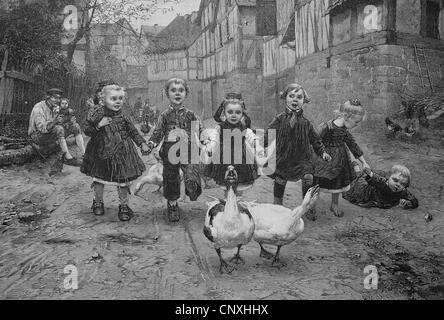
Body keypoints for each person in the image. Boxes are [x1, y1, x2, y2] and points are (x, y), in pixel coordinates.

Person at [80, 84, 150, 221]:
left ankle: (123, 206)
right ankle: (98, 203)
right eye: (113, 99)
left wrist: (142, 143)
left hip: (122, 152)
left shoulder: (123, 116)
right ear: (103, 100)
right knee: (99, 178)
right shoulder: (97, 113)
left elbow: (132, 131)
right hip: (101, 151)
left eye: (120, 98)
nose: (118, 102)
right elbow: (87, 129)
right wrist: (99, 125)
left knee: (123, 180)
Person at [267, 83, 331, 220]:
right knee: (280, 179)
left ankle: (307, 206)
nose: (295, 100)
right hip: (284, 157)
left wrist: (322, 152)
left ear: (304, 101)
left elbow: (316, 140)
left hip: (302, 158)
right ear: (285, 98)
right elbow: (268, 134)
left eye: (299, 97)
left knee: (309, 178)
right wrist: (263, 146)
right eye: (291, 96)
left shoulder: (306, 123)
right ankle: (277, 205)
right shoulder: (279, 119)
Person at [145, 78, 203, 222]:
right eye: (173, 90)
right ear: (167, 94)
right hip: (170, 150)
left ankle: (192, 187)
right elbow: (157, 133)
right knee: (171, 178)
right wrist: (151, 144)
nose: (177, 94)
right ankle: (172, 205)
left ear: (186, 94)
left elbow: (199, 131)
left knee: (192, 171)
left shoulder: (191, 115)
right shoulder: (164, 116)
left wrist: (205, 139)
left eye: (181, 90)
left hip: (188, 149)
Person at [313, 99, 371, 218]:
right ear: (346, 116)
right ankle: (311, 206)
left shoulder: (344, 131)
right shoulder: (326, 126)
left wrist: (364, 162)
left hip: (340, 160)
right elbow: (314, 140)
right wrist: (322, 152)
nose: (356, 125)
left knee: (338, 183)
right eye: (356, 122)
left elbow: (353, 145)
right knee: (317, 182)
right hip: (324, 160)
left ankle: (334, 204)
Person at [204, 93, 265, 197]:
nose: (233, 115)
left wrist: (257, 145)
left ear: (242, 114)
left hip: (241, 157)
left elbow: (251, 136)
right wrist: (211, 145)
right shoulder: (220, 127)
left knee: (240, 183)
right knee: (226, 184)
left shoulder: (243, 127)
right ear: (224, 113)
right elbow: (214, 137)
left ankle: (237, 202)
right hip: (224, 157)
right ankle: (228, 203)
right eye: (230, 112)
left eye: (237, 112)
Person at [28, 88, 82, 172]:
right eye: (55, 97)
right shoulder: (38, 107)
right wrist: (55, 122)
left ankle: (84, 154)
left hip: (50, 133)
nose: (57, 100)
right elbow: (42, 128)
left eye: (59, 98)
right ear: (48, 97)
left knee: (75, 126)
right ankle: (68, 158)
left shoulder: (56, 107)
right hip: (37, 135)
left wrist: (70, 121)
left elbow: (61, 121)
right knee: (59, 128)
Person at [343, 165, 418, 209]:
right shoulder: (383, 183)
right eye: (395, 180)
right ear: (388, 179)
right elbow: (376, 179)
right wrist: (370, 173)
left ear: (405, 186)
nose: (398, 185)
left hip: (383, 201)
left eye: (403, 184)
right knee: (356, 180)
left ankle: (357, 170)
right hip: (369, 193)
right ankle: (356, 170)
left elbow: (414, 200)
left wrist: (408, 203)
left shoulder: (402, 191)